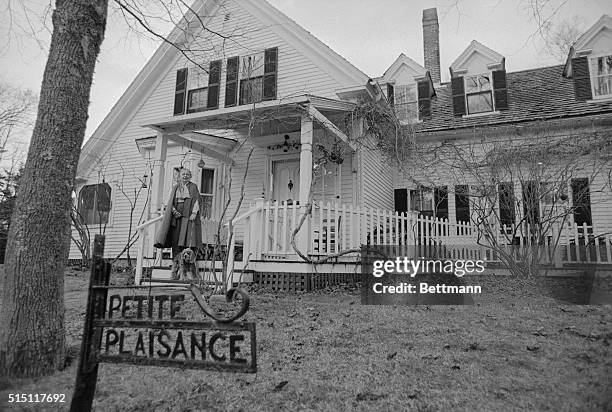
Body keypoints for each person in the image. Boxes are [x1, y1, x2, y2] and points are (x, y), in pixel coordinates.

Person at [154, 168, 203, 279]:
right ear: (180, 176)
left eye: (187, 174)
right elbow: (170, 202)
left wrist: (194, 212)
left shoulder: (193, 187)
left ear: (190, 176)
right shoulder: (176, 187)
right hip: (177, 220)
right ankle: (175, 271)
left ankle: (191, 270)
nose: (185, 176)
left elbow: (197, 201)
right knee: (176, 243)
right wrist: (174, 212)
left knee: (189, 241)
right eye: (183, 174)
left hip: (189, 218)